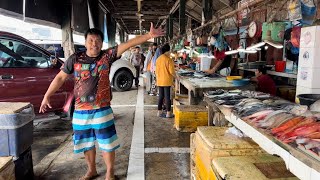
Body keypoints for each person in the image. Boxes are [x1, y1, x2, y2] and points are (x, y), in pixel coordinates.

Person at [39, 23, 164, 180]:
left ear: (101, 43)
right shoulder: (74, 59)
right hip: (80, 110)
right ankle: (91, 170)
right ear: (85, 42)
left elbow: (127, 44)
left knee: (107, 143)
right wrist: (47, 95)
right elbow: (60, 78)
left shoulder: (107, 56)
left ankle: (110, 172)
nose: (94, 44)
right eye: (91, 40)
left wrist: (148, 36)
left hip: (102, 109)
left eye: (97, 40)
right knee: (86, 143)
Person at [155, 43, 175, 118]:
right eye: (169, 51)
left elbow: (156, 71)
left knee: (161, 96)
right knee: (167, 97)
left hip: (160, 80)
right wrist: (177, 77)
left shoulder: (158, 59)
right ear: (167, 51)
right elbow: (172, 71)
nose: (170, 53)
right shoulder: (168, 59)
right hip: (166, 81)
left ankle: (159, 112)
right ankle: (168, 113)